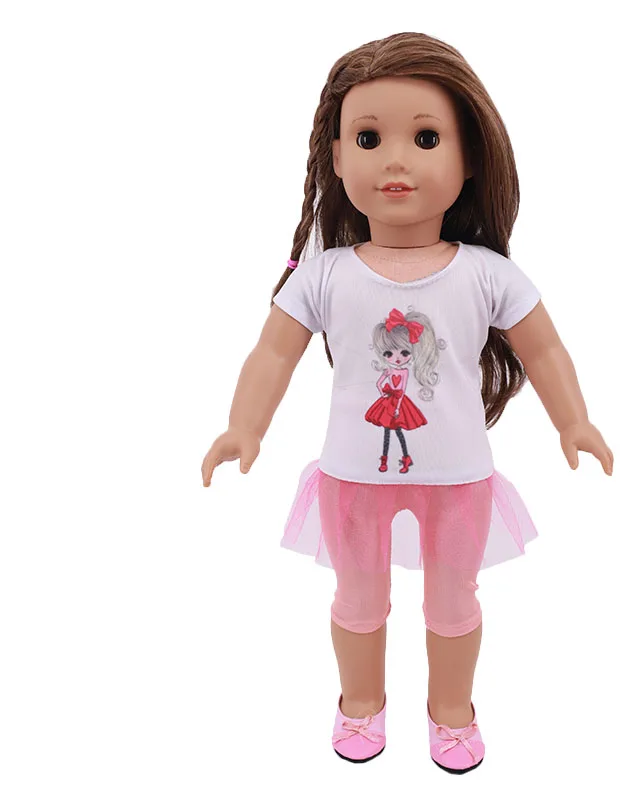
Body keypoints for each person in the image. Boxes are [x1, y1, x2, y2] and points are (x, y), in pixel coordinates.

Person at [201, 31, 613, 774]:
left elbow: (545, 349)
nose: (396, 160)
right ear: (336, 157)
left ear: (468, 156)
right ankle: (361, 701)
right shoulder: (323, 275)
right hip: (352, 475)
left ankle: (452, 710)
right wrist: (243, 426)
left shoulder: (487, 274)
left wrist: (574, 420)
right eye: (369, 138)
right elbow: (272, 353)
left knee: (455, 601)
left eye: (425, 138)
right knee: (357, 599)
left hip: (458, 478)